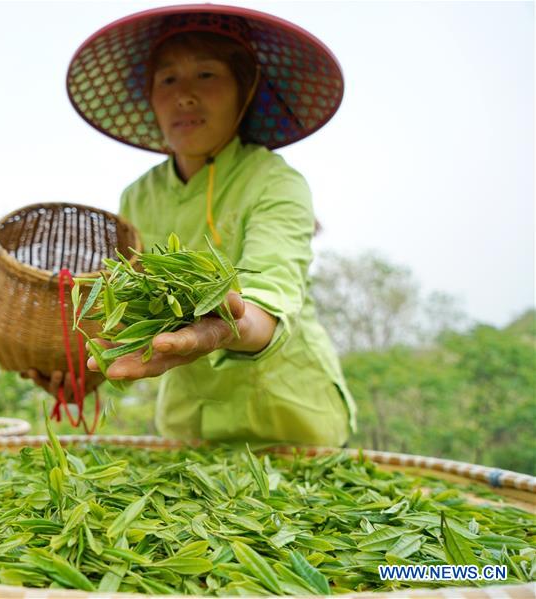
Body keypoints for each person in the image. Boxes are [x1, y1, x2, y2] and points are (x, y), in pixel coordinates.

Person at [27, 4, 356, 447]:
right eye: (167, 79)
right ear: (150, 96)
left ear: (245, 90)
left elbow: (271, 299)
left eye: (207, 75)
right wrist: (94, 370)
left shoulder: (274, 181)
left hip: (288, 416)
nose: (184, 95)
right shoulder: (138, 197)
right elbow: (135, 306)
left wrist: (227, 325)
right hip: (189, 423)